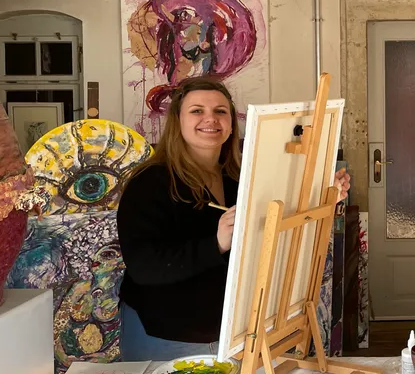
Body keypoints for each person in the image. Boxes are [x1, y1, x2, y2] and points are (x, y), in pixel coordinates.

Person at [116, 76, 351, 361]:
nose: (210, 119)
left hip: (234, 330)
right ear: (177, 121)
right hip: (168, 333)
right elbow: (144, 265)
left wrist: (323, 198)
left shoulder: (240, 178)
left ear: (230, 123)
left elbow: (278, 221)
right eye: (197, 111)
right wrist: (216, 243)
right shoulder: (150, 182)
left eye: (220, 111)